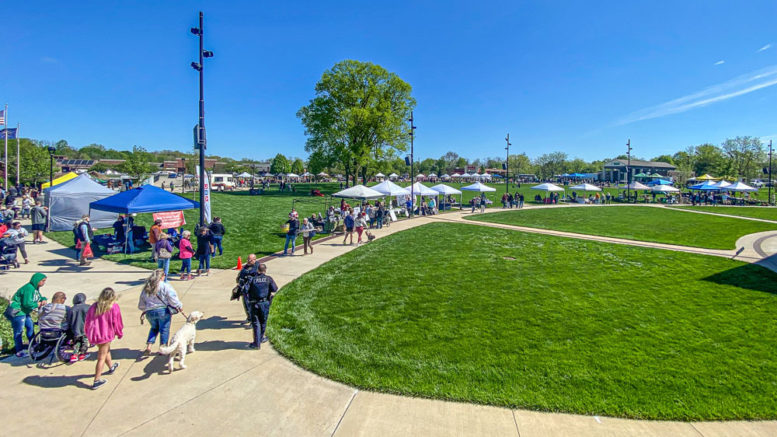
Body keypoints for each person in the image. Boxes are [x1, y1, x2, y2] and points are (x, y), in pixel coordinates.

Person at [138, 269, 185, 356]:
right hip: (163, 311)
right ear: (162, 276)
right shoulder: (165, 286)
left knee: (154, 328)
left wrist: (144, 309)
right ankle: (163, 348)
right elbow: (172, 298)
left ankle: (149, 346)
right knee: (164, 329)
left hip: (149, 312)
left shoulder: (146, 288)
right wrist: (179, 306)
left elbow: (141, 303)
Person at [85, 287, 123, 390]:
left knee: (106, 351)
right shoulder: (113, 307)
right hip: (105, 335)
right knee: (101, 357)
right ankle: (96, 380)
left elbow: (87, 321)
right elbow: (117, 322)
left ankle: (111, 367)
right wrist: (119, 333)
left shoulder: (94, 306)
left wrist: (87, 333)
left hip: (95, 334)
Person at [4, 273, 48, 357]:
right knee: (18, 332)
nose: (43, 283)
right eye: (42, 281)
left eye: (44, 281)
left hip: (25, 313)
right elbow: (27, 303)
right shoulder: (29, 288)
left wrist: (43, 299)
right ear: (36, 280)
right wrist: (37, 304)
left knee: (30, 328)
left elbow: (38, 297)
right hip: (19, 313)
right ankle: (19, 351)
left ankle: (34, 346)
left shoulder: (35, 288)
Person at [245, 263, 278, 349]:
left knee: (256, 323)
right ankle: (261, 338)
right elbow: (275, 289)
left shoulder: (252, 279)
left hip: (254, 304)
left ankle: (256, 343)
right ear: (265, 270)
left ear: (257, 270)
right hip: (265, 303)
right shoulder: (268, 279)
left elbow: (245, 290)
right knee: (263, 321)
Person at [67, 293, 91, 363]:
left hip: (75, 329)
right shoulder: (88, 307)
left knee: (77, 342)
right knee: (84, 342)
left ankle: (74, 354)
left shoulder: (72, 309)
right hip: (85, 329)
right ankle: (82, 354)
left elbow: (69, 320)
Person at [236, 253, 259, 322]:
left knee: (252, 305)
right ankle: (249, 317)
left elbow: (253, 274)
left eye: (250, 260)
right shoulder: (246, 267)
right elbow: (241, 274)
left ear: (254, 260)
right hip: (245, 290)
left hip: (253, 291)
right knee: (246, 304)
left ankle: (254, 320)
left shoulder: (257, 267)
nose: (248, 261)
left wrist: (247, 274)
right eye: (248, 259)